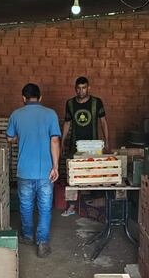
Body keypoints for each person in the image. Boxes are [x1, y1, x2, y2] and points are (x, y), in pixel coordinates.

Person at [6, 83, 61, 258]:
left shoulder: (16, 115)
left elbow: (10, 138)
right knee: (45, 207)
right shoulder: (51, 114)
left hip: (24, 170)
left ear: (23, 98)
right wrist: (55, 166)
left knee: (26, 205)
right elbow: (54, 141)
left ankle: (28, 236)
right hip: (46, 171)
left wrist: (19, 137)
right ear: (40, 97)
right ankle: (43, 242)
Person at [61, 76, 109, 216]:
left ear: (89, 88)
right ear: (75, 89)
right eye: (78, 88)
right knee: (72, 177)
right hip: (75, 147)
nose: (81, 91)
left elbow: (103, 122)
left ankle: (94, 205)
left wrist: (107, 140)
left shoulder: (96, 102)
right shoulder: (70, 103)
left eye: (84, 88)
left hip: (93, 147)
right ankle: (71, 206)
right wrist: (63, 141)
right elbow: (67, 123)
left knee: (94, 174)